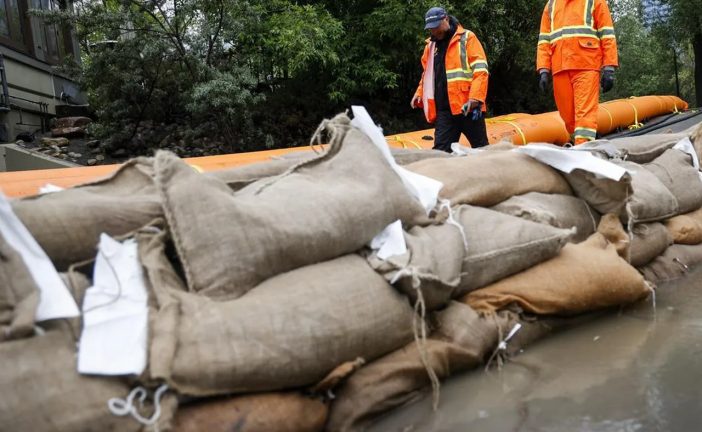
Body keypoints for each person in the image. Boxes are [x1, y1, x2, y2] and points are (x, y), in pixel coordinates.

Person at [537, 0, 618, 145]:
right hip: (560, 67)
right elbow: (544, 41)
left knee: (584, 114)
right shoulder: (551, 5)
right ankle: (580, 144)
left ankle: (583, 150)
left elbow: (607, 34)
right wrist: (543, 69)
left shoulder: (595, 1)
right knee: (567, 116)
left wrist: (609, 67)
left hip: (586, 64)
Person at [411, 7, 490, 152]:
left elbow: (481, 71)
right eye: (431, 28)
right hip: (445, 111)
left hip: (468, 108)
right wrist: (419, 93)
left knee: (482, 150)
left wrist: (475, 99)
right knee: (440, 152)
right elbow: (427, 75)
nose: (434, 31)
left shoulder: (467, 38)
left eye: (437, 26)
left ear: (446, 19)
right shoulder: (430, 46)